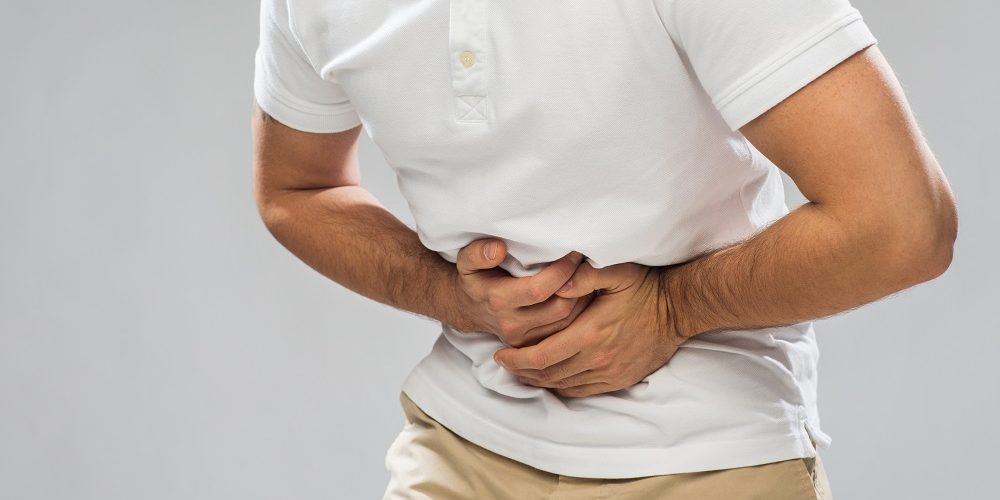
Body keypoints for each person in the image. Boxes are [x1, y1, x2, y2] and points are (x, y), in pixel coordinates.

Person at [250, 0, 958, 498]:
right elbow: (294, 186)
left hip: (707, 459)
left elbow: (901, 224)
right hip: (461, 446)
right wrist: (448, 294)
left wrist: (674, 308)